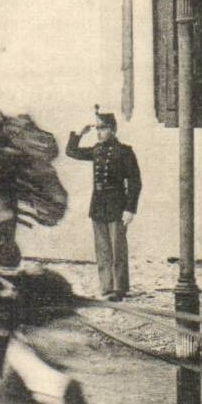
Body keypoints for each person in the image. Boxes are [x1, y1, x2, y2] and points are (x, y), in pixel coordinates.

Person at [66, 112, 141, 301]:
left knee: (118, 249)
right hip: (98, 205)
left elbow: (134, 181)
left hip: (117, 204)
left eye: (104, 128)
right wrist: (79, 134)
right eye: (98, 128)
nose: (99, 132)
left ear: (113, 130)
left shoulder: (124, 151)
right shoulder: (97, 150)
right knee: (102, 250)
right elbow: (71, 152)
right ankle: (107, 287)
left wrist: (130, 208)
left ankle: (120, 288)